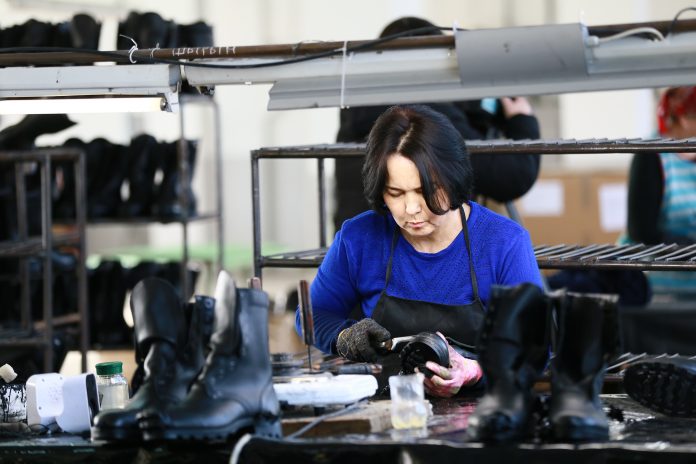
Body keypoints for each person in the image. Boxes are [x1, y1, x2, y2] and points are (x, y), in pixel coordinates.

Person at [296, 105, 543, 398]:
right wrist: (344, 336)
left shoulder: (504, 242)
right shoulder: (359, 238)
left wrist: (475, 371)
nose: (411, 209)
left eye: (425, 191)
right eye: (395, 193)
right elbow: (312, 316)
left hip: (480, 412)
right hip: (386, 409)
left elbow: (536, 346)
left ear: (453, 178)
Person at [333, 16, 541, 233]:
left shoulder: (358, 107)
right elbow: (513, 176)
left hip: (357, 241)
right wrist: (521, 119)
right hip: (410, 245)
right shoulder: (424, 112)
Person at [625, 85, 696, 297]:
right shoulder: (651, 155)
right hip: (659, 287)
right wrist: (690, 249)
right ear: (684, 118)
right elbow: (642, 233)